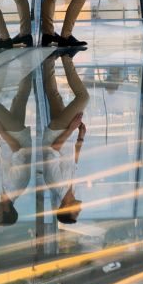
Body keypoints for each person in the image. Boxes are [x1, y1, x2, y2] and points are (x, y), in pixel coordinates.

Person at [40, 51, 89, 224]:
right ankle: (48, 59)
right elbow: (73, 162)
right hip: (65, 135)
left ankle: (67, 57)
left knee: (83, 97)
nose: (80, 210)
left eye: (76, 213)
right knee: (54, 95)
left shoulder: (56, 184)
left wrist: (71, 128)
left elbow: (53, 149)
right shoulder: (71, 190)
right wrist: (80, 139)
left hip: (57, 133)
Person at [0, 67, 34, 226]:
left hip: (11, 135)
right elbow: (18, 149)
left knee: (20, 98)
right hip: (15, 135)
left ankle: (28, 62)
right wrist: (0, 129)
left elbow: (5, 161)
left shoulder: (7, 190)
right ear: (6, 210)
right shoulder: (15, 185)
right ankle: (3, 64)